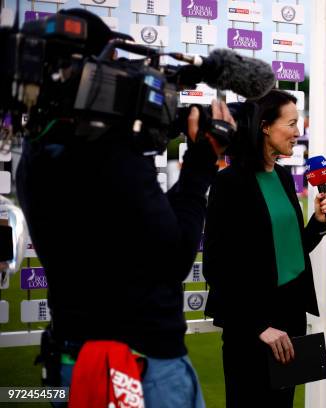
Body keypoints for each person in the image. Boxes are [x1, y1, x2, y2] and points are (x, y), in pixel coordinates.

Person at [16, 10, 237, 407]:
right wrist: (202, 164)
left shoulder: (36, 152)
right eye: (115, 66)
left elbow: (134, 231)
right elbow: (173, 256)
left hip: (70, 360)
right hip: (136, 366)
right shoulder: (112, 154)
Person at [202, 89, 326, 407]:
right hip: (252, 331)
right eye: (291, 123)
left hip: (289, 322)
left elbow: (290, 252)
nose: (298, 131)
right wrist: (259, 327)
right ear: (265, 126)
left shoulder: (284, 177)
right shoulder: (229, 183)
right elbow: (216, 267)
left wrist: (318, 222)